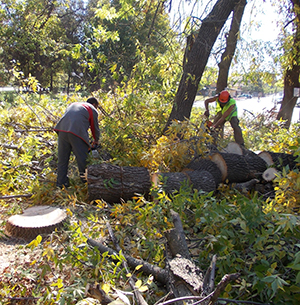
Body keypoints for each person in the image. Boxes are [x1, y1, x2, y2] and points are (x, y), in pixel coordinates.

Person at [54, 97, 100, 188]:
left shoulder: (73, 104)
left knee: (62, 160)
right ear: (94, 104)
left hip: (62, 130)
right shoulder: (92, 109)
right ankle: (85, 183)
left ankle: (61, 183)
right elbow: (94, 128)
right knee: (82, 159)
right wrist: (96, 140)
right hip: (76, 132)